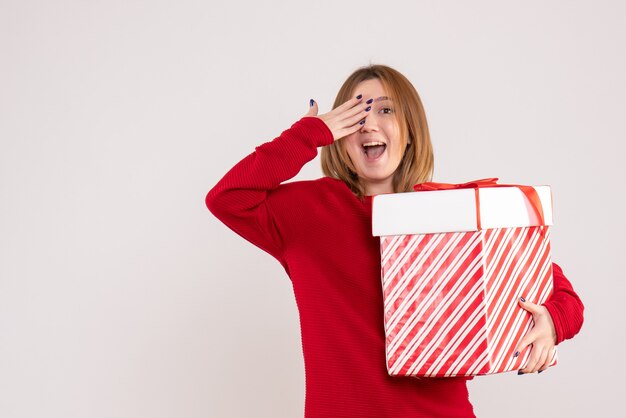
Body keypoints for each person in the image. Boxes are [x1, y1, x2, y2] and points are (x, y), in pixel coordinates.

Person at [206, 65, 584, 418]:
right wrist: (308, 134)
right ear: (339, 133)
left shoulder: (453, 212)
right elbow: (227, 198)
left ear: (410, 132)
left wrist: (553, 321)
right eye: (355, 113)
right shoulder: (307, 213)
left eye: (385, 110)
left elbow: (559, 292)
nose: (368, 123)